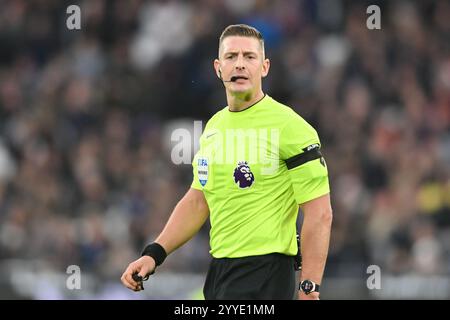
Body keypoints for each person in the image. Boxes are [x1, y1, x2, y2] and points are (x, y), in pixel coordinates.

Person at [121, 24, 333, 300]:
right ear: (218, 68)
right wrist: (154, 253)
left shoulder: (289, 126)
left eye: (249, 57)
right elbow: (199, 199)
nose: (240, 65)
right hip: (220, 271)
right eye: (232, 57)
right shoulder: (214, 128)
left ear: (265, 67)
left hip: (264, 272)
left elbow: (320, 212)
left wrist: (309, 286)